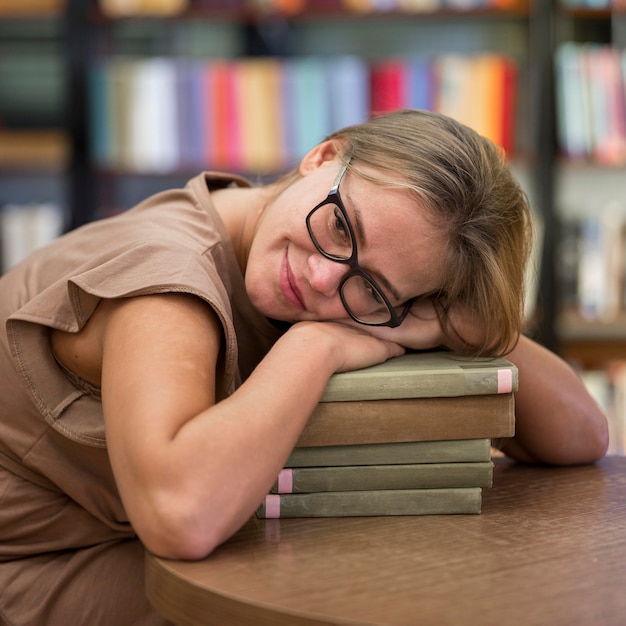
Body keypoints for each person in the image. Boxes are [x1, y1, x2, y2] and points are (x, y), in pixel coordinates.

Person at [0, 109, 608, 625]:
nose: (321, 276)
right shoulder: (165, 284)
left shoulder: (286, 245)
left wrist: (453, 323)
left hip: (132, 549)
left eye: (370, 284)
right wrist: (315, 348)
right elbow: (180, 516)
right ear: (322, 157)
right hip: (36, 568)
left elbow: (582, 434)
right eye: (341, 224)